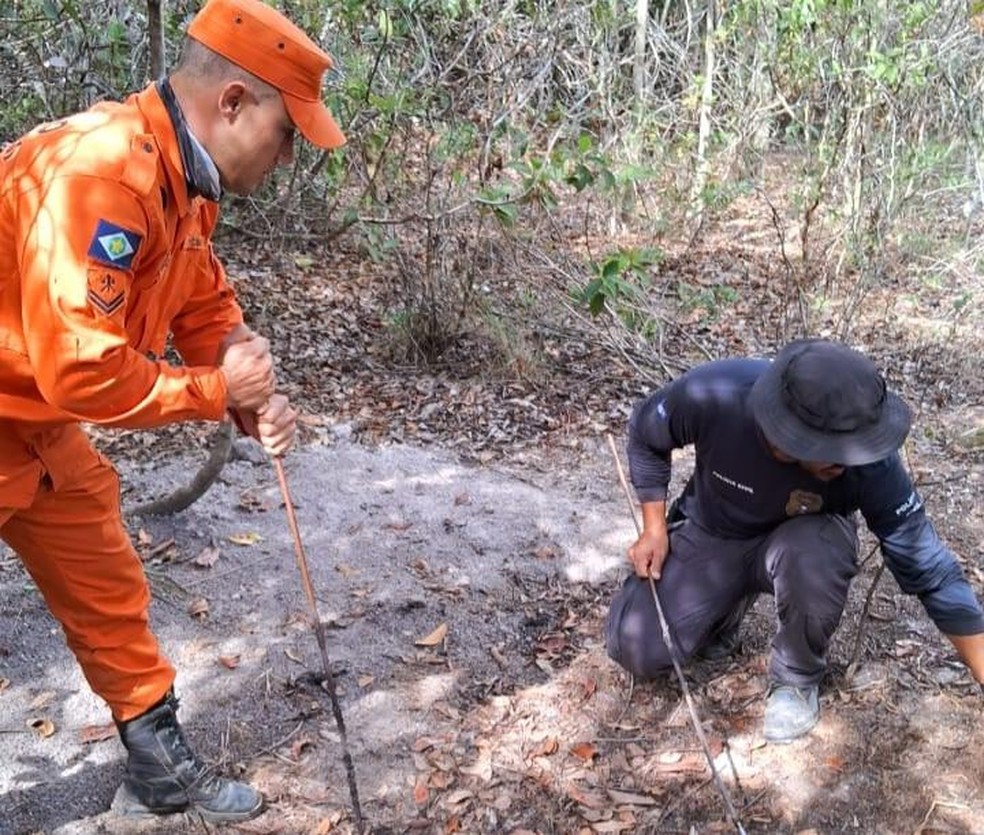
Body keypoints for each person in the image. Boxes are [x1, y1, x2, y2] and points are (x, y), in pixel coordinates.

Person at [0, 0, 345, 822]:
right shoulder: (106, 173)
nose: (289, 155)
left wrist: (241, 374)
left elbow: (200, 302)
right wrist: (217, 394)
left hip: (28, 422)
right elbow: (83, 371)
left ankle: (157, 762)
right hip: (35, 397)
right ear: (233, 102)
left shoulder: (184, 183)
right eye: (288, 131)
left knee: (103, 570)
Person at [606, 338, 984, 742]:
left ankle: (796, 677)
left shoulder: (867, 460)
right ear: (789, 437)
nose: (847, 462)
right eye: (832, 453)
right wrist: (654, 528)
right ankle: (725, 611)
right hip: (713, 533)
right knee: (637, 648)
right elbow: (647, 434)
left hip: (804, 544)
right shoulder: (719, 394)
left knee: (815, 551)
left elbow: (932, 570)